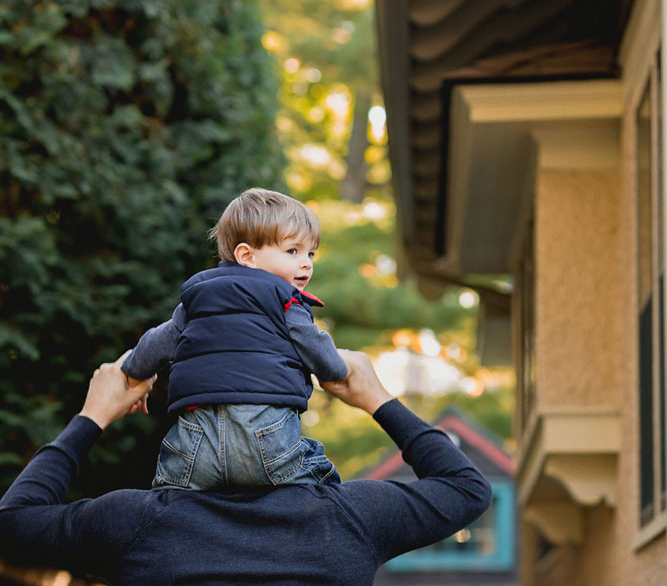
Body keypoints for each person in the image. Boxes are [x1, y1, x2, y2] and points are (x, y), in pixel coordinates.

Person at [0, 349, 492, 586]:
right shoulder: (348, 518)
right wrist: (376, 398)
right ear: (290, 413)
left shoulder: (135, 524)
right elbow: (466, 488)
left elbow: (13, 523)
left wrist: (93, 415)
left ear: (186, 414)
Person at [121, 188, 349, 490]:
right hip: (269, 441)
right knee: (327, 486)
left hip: (195, 443)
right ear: (246, 256)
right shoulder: (286, 301)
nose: (306, 263)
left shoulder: (197, 300)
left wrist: (134, 373)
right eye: (292, 251)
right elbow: (321, 355)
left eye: (310, 254)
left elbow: (158, 342)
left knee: (170, 495)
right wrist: (340, 372)